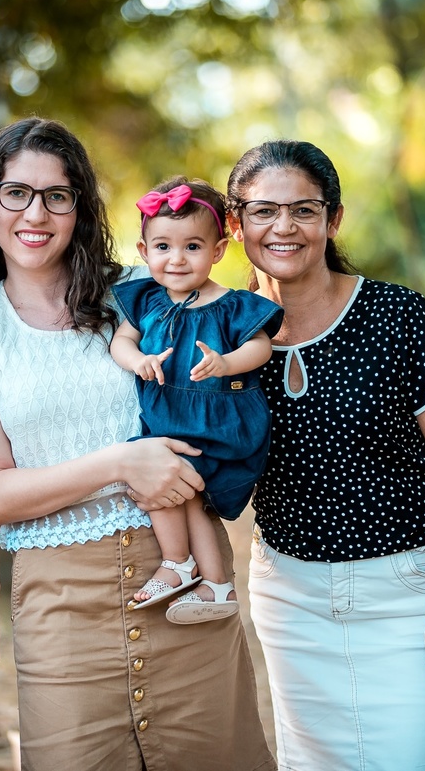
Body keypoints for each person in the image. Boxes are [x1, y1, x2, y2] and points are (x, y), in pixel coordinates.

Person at [0, 118, 275, 771]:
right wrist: (122, 462)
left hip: (183, 584)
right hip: (63, 609)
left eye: (57, 195)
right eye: (16, 192)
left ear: (81, 207)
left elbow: (235, 323)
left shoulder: (140, 294)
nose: (36, 212)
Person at [226, 139, 425, 770]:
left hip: (411, 592)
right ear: (234, 225)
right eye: (262, 211)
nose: (282, 227)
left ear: (333, 219)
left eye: (304, 210)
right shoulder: (226, 329)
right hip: (292, 599)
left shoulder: (398, 316)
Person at [109, 176, 283, 624]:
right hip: (168, 417)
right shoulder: (145, 299)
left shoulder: (231, 304)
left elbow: (261, 346)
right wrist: (139, 360)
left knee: (176, 490)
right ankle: (215, 584)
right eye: (163, 247)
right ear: (144, 252)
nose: (177, 259)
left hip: (216, 418)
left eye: (192, 247)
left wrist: (226, 363)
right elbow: (120, 343)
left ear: (218, 250)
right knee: (177, 492)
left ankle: (178, 564)